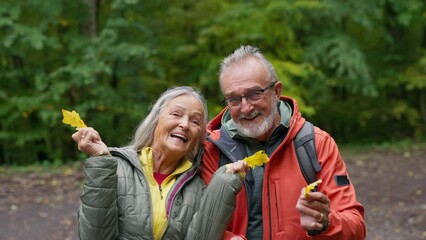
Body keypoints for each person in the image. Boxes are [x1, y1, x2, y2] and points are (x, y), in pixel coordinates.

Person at [201, 46, 366, 239]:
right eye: (234, 99)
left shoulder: (315, 143)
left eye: (255, 94)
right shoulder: (212, 149)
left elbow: (356, 227)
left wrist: (325, 223)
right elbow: (199, 225)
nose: (245, 108)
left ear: (276, 91)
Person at [72, 86, 249, 240]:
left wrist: (223, 184)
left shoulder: (199, 187)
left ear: (198, 136)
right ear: (156, 120)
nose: (185, 124)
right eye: (176, 114)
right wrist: (101, 160)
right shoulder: (115, 168)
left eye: (195, 121)